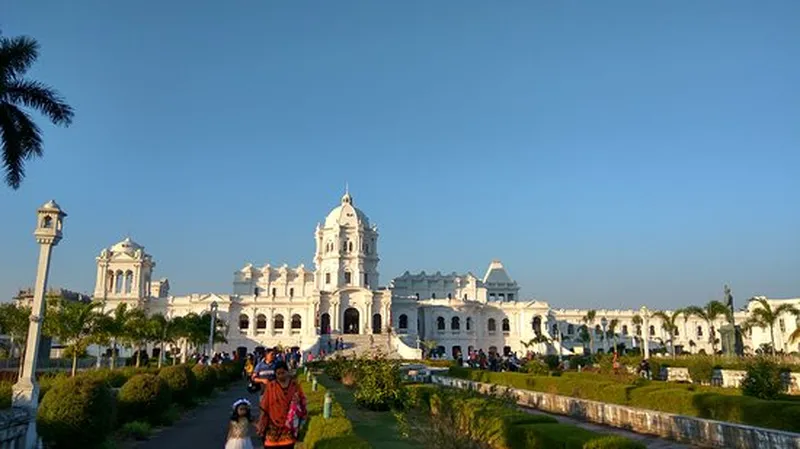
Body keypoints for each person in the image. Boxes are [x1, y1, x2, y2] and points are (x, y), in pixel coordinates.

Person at [256, 362, 307, 449]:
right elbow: (264, 406)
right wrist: (261, 422)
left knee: (288, 445)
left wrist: (298, 402)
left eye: (283, 373)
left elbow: (303, 402)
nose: (280, 376)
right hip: (272, 424)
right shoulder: (271, 386)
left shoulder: (294, 385)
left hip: (288, 425)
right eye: (278, 374)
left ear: (287, 372)